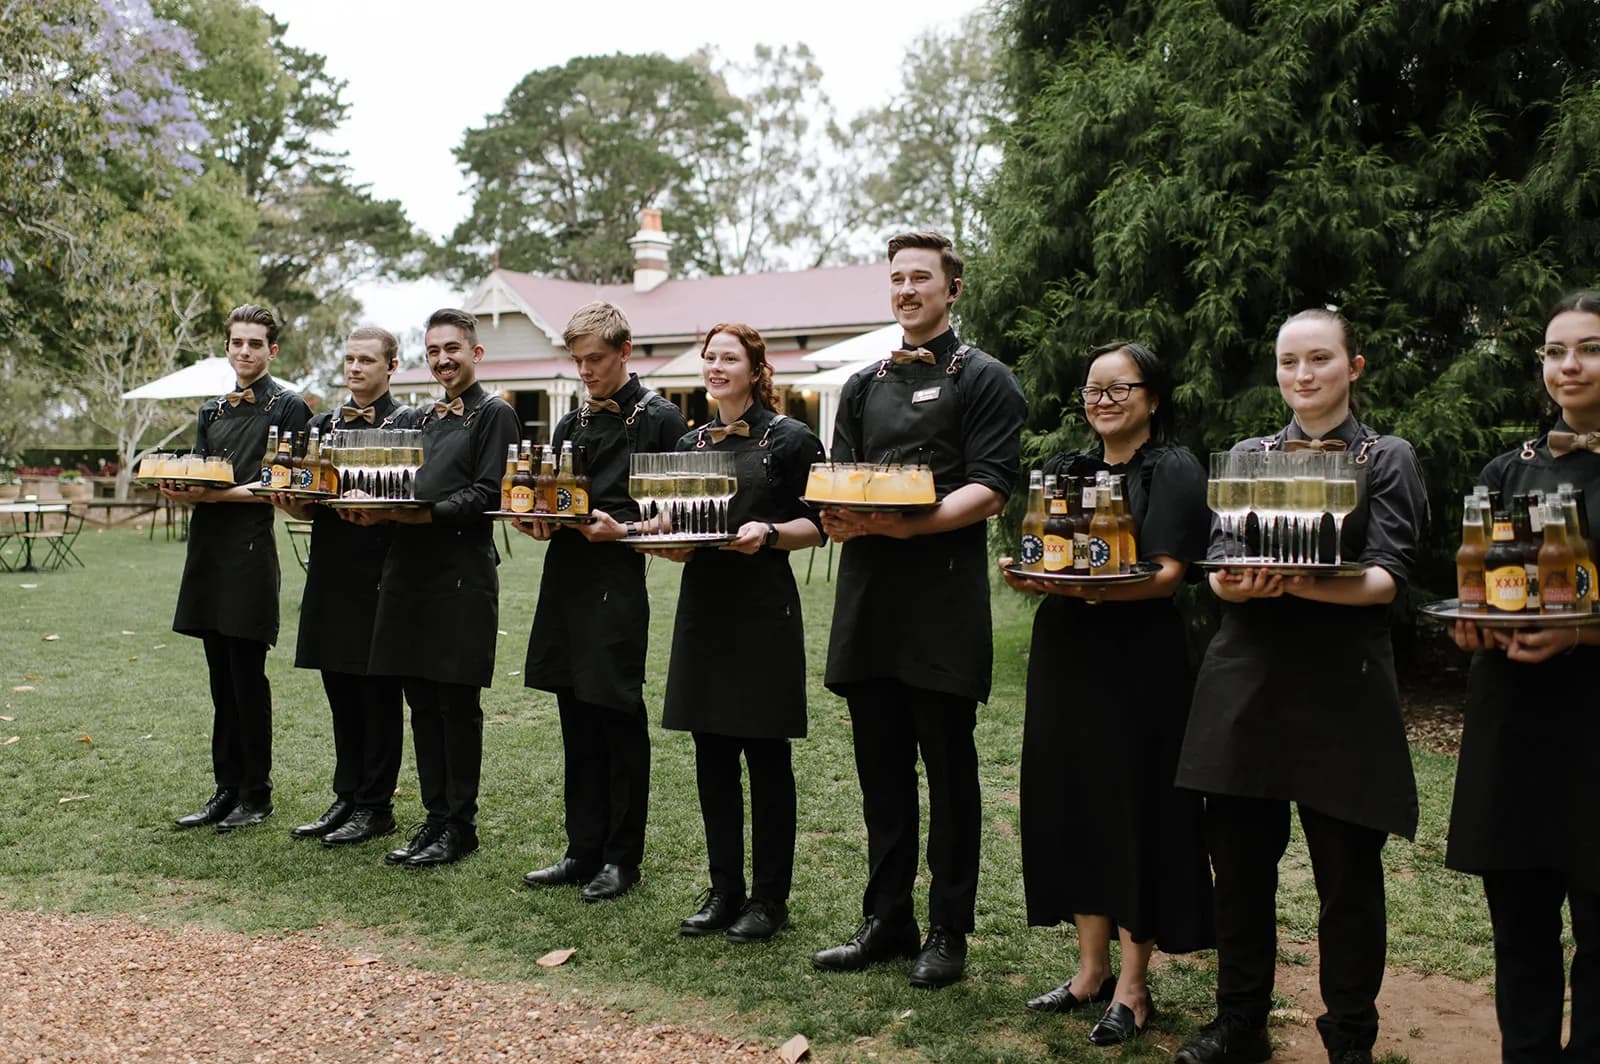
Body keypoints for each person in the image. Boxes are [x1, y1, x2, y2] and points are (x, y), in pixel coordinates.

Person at [1173, 309, 1428, 1064]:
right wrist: (1238, 583)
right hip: (1245, 680)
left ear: (1355, 367)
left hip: (1342, 688)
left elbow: (1385, 579)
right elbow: (1220, 568)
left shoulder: (1388, 458)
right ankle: (1239, 1022)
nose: (1303, 375)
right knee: (1239, 870)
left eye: (1320, 359)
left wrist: (1285, 584)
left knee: (1347, 877)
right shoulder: (1248, 456)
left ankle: (1350, 1037)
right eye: (1289, 362)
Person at [813, 231, 1027, 989]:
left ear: (952, 290)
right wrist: (844, 515)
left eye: (921, 278)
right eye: (897, 279)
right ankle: (887, 919)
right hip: (870, 599)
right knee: (881, 772)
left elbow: (991, 487)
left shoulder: (986, 377)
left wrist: (900, 522)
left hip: (941, 601)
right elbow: (840, 478)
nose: (906, 290)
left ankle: (948, 929)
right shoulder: (864, 383)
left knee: (949, 769)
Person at [997, 341, 1213, 1046]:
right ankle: (1089, 971)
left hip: (1138, 657)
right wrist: (1028, 574)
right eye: (1093, 389)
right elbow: (1040, 551)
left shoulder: (1172, 468)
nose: (1103, 400)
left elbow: (1165, 572)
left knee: (1133, 805)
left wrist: (1089, 586)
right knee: (1075, 799)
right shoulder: (1065, 469)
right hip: (1068, 652)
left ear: (1152, 397)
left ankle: (1133, 985)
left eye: (1119, 388)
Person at [1446, 291, 1600, 1064]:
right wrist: (1475, 626)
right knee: (1521, 933)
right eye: (1554, 350)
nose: (1568, 365)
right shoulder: (1510, 468)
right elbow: (1482, 580)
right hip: (1515, 725)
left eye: (1589, 348)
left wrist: (1586, 629)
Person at [648, 323, 825, 942]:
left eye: (730, 357)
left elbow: (821, 523)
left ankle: (769, 900)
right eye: (710, 357)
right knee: (712, 754)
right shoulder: (692, 439)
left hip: (762, 609)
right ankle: (724, 890)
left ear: (755, 369)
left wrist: (769, 534)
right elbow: (679, 517)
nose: (717, 366)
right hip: (705, 607)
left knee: (767, 756)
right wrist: (663, 535)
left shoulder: (793, 439)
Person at [519, 301, 689, 903]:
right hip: (565, 575)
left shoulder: (662, 418)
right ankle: (580, 849)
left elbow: (683, 508)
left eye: (595, 359)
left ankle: (622, 858)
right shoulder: (569, 424)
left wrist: (625, 529)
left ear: (624, 351)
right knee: (574, 716)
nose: (585, 371)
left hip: (618, 580)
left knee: (617, 716)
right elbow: (553, 499)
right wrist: (537, 520)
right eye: (577, 361)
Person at [349, 308, 519, 868]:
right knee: (419, 698)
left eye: (452, 349)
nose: (442, 359)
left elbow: (488, 493)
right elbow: (395, 479)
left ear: (476, 353)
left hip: (460, 573)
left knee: (455, 701)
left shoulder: (495, 415)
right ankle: (433, 819)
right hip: (406, 571)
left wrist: (423, 516)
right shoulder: (419, 419)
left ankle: (460, 825)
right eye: (434, 351)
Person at [167, 304, 312, 833]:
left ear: (272, 350)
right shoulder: (209, 411)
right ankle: (225, 789)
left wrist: (215, 495)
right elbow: (202, 475)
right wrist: (181, 492)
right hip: (206, 551)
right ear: (226, 347)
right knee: (218, 678)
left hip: (250, 553)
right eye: (236, 343)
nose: (244, 351)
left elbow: (281, 484)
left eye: (255, 343)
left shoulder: (289, 407)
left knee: (247, 676)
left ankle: (257, 794)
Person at [272, 326, 410, 847]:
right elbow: (306, 488)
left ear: (391, 367)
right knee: (338, 686)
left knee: (376, 691)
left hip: (382, 567)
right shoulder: (321, 423)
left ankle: (376, 805)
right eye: (350, 359)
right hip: (331, 565)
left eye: (367, 360)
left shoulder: (407, 423)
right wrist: (294, 501)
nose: (355, 368)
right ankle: (346, 795)